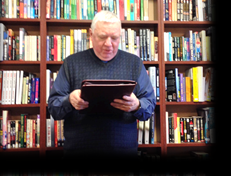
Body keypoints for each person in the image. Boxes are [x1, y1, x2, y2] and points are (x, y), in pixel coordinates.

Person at [46, 10, 155, 153]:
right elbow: (53, 108)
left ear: (120, 36)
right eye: (102, 37)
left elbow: (149, 107)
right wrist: (69, 100)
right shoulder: (71, 63)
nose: (108, 44)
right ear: (91, 35)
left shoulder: (134, 64)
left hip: (123, 152)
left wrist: (137, 105)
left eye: (114, 38)